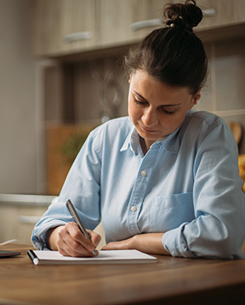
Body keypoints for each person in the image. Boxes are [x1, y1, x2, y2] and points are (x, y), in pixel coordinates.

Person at [31, 0, 245, 259]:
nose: (148, 120)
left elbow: (222, 235)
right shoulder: (104, 139)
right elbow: (50, 224)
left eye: (168, 110)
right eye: (139, 101)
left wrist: (137, 243)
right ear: (130, 79)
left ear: (194, 99)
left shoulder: (209, 135)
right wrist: (61, 236)